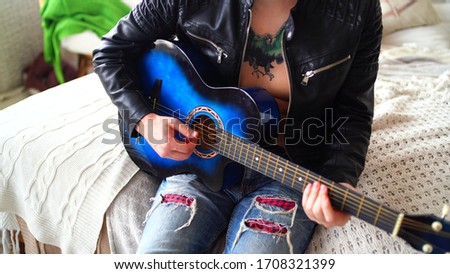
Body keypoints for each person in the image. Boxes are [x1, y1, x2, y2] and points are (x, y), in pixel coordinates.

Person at [93, 0, 382, 254]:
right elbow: (110, 52)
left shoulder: (356, 9)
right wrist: (144, 119)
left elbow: (353, 111)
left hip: (286, 170)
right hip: (198, 162)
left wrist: (341, 181)